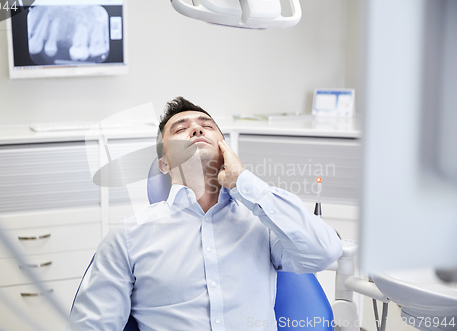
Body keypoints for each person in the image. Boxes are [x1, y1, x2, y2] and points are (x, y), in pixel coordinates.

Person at [68, 97, 342, 331]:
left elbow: (325, 252)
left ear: (225, 147)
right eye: (180, 128)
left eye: (207, 126)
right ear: (164, 163)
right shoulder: (129, 235)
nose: (197, 129)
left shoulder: (262, 223)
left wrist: (242, 181)